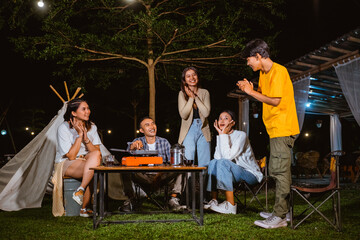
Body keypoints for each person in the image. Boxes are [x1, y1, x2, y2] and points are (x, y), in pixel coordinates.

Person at [237, 39, 299, 228]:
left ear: (258, 56)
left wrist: (250, 93)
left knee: (280, 172)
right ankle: (282, 211)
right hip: (274, 129)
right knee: (276, 170)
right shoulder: (264, 73)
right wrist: (253, 88)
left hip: (283, 128)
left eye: (249, 59)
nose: (248, 63)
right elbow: (264, 93)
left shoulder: (279, 71)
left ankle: (280, 216)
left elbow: (275, 101)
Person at [120, 117, 185, 212]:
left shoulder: (164, 142)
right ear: (141, 130)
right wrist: (133, 146)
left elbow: (171, 163)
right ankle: (131, 199)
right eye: (147, 125)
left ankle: (173, 199)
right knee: (125, 170)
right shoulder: (138, 141)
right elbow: (130, 147)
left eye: (153, 123)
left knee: (181, 168)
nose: (152, 126)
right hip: (143, 176)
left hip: (161, 175)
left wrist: (163, 171)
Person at [205, 110, 263, 214]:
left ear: (233, 122)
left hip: (250, 174)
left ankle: (230, 205)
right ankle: (214, 200)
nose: (222, 120)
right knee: (213, 162)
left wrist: (223, 135)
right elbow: (217, 157)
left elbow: (227, 157)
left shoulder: (241, 135)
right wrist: (221, 134)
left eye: (226, 118)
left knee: (222, 162)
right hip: (233, 173)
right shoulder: (221, 136)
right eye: (220, 118)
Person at [54, 98, 102, 217]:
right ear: (74, 113)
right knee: (93, 169)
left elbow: (97, 152)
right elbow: (71, 156)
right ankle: (84, 208)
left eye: (88, 108)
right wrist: (79, 136)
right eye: (84, 109)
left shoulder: (92, 127)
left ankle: (80, 189)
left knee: (95, 157)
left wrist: (86, 139)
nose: (88, 111)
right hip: (66, 163)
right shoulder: (63, 128)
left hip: (86, 161)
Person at [178, 66, 211, 167]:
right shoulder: (181, 93)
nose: (192, 78)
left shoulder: (204, 92)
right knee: (188, 161)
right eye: (188, 76)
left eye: (194, 75)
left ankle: (205, 183)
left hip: (203, 129)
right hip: (188, 129)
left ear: (198, 77)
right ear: (185, 80)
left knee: (205, 164)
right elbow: (183, 115)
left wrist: (195, 97)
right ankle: (187, 183)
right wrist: (191, 98)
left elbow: (206, 113)